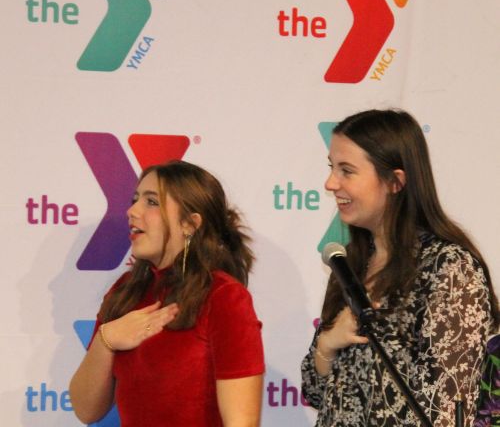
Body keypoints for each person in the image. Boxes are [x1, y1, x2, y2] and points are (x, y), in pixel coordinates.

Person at [301, 109, 499, 426]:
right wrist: (328, 343)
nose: (330, 183)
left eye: (346, 170)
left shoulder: (449, 268)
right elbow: (315, 392)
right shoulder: (350, 263)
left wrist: (377, 333)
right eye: (331, 167)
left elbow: (444, 408)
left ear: (395, 181)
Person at [70, 160, 265, 427]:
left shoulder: (224, 296)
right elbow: (86, 410)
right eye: (135, 200)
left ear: (189, 224)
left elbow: (242, 422)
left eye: (151, 202)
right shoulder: (125, 291)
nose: (131, 211)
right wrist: (106, 340)